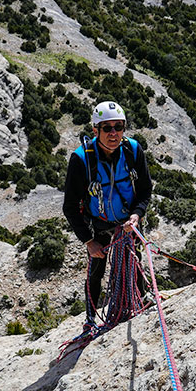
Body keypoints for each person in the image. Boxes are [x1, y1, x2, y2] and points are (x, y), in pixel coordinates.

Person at [62, 100, 152, 333]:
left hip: (127, 222)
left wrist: (136, 215)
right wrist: (88, 241)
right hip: (98, 224)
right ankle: (90, 319)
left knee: (133, 262)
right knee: (96, 271)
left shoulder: (132, 150)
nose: (113, 133)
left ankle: (142, 300)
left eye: (118, 127)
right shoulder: (81, 160)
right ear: (95, 130)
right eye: (107, 127)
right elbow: (70, 206)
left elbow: (144, 191)